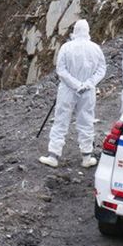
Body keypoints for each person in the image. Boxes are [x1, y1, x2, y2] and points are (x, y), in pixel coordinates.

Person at [39, 19, 106, 169]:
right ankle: (86, 156)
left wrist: (75, 85)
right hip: (87, 91)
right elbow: (101, 69)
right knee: (86, 121)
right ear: (88, 31)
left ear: (75, 30)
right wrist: (88, 83)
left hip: (68, 90)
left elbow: (61, 70)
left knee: (61, 120)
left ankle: (53, 155)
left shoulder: (66, 47)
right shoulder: (95, 48)